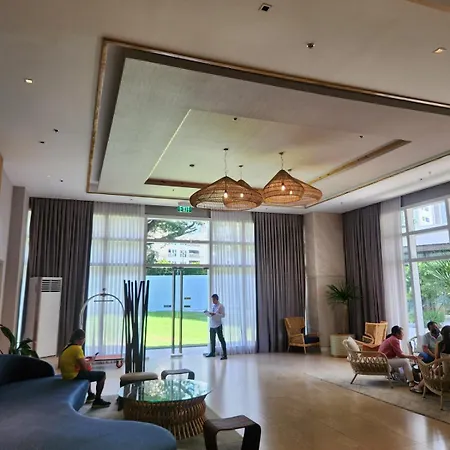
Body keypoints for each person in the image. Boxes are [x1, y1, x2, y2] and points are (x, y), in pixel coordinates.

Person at [59, 329, 111, 408]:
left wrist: (85, 360)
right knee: (102, 375)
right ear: (81, 339)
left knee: (87, 373)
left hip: (66, 375)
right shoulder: (77, 349)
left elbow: (75, 361)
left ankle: (90, 395)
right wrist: (91, 361)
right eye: (84, 339)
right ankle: (97, 400)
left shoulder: (67, 347)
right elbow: (85, 368)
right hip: (73, 376)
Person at [412, 325, 450, 393]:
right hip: (447, 370)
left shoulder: (440, 344)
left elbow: (436, 360)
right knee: (438, 369)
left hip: (445, 377)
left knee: (431, 372)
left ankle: (419, 387)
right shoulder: (427, 336)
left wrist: (433, 368)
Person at [204, 294, 227, 360]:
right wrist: (208, 313)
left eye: (214, 299)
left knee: (221, 339)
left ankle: (225, 354)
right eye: (212, 300)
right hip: (212, 325)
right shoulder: (213, 306)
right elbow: (211, 314)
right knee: (212, 340)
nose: (213, 301)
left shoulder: (221, 306)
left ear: (217, 299)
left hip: (218, 325)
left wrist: (215, 314)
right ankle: (212, 352)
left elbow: (223, 315)